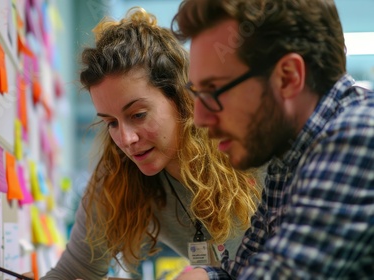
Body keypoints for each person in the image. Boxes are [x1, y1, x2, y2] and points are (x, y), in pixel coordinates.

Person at [23, 7, 261, 280]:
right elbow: (76, 271)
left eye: (138, 115)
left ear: (181, 100)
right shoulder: (117, 175)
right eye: (111, 122)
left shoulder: (248, 144)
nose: (126, 140)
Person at [171, 0, 374, 279]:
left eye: (214, 91)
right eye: (197, 93)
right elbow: (241, 270)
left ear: (288, 78)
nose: (201, 119)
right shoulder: (288, 157)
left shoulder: (360, 134)